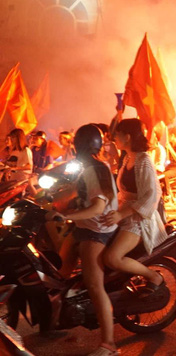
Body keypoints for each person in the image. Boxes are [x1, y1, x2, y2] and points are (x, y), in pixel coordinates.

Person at [45, 124, 119, 356]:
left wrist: (66, 215)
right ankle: (53, 322)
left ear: (79, 145)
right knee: (57, 275)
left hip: (97, 230)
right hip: (82, 226)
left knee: (95, 286)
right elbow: (75, 190)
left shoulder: (95, 169)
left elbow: (97, 207)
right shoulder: (86, 166)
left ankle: (109, 345)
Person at [102, 119, 168, 299]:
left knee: (112, 258)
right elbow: (123, 191)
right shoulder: (127, 159)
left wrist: (121, 214)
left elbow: (150, 197)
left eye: (117, 134)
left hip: (140, 219)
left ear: (127, 137)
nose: (114, 138)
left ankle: (154, 277)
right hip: (124, 212)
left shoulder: (144, 160)